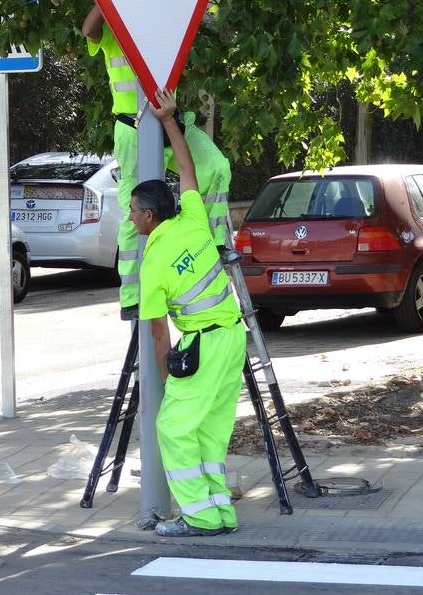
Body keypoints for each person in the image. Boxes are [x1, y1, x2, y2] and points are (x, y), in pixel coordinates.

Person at [131, 87, 246, 537]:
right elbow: (187, 168)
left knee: (174, 429)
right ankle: (221, 512)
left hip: (201, 346)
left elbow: (160, 335)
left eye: (134, 211)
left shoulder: (153, 264)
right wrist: (168, 120)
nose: (131, 217)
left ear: (149, 217)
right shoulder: (193, 216)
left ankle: (198, 517)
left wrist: (165, 379)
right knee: (209, 434)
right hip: (232, 338)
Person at [82, 5, 235, 320]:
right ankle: (131, 297)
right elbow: (88, 30)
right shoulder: (114, 32)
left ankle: (216, 243)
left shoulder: (167, 29)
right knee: (132, 210)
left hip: (169, 121)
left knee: (216, 168)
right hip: (132, 127)